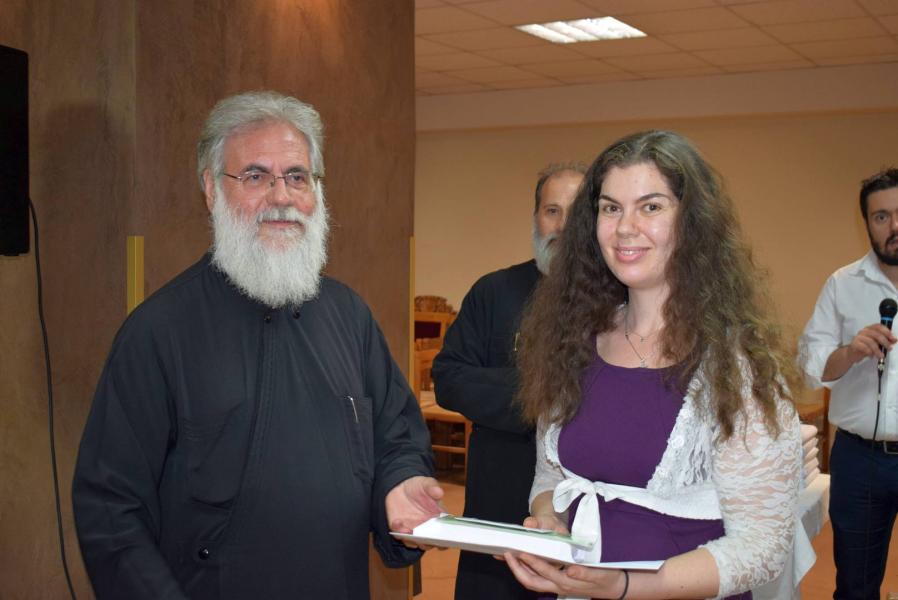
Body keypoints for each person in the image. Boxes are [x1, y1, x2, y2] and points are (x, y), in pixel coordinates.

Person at [71, 91, 442, 600]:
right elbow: (110, 509)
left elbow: (395, 435)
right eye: (255, 176)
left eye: (297, 176)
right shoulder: (158, 331)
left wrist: (400, 483)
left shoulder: (349, 315)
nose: (281, 196)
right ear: (211, 189)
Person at [506, 130, 802, 599]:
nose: (625, 227)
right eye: (610, 208)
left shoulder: (737, 366)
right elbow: (552, 476)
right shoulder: (571, 345)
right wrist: (548, 520)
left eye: (650, 207)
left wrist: (626, 585)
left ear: (693, 223)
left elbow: (762, 547)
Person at [432, 163, 585, 600]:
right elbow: (449, 377)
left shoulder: (620, 299)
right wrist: (546, 396)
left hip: (583, 505)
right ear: (536, 218)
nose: (562, 226)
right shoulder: (493, 291)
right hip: (499, 496)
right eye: (551, 211)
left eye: (575, 213)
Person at [800, 167, 898, 599]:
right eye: (881, 216)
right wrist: (851, 352)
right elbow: (812, 364)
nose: (894, 226)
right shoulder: (842, 284)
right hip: (861, 461)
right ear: (867, 225)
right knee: (855, 586)